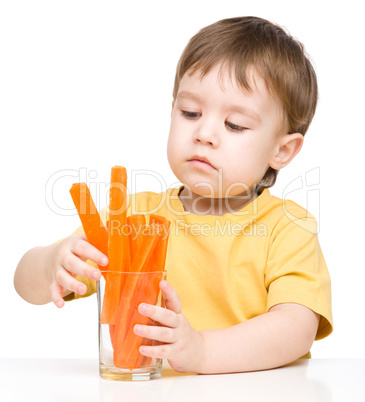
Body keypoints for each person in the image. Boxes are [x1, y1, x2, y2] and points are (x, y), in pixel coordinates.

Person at [14, 16, 333, 374]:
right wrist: (51, 263)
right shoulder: (133, 218)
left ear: (283, 151)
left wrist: (203, 351)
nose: (205, 133)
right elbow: (24, 285)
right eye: (190, 112)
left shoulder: (288, 228)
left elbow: (296, 328)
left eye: (235, 125)